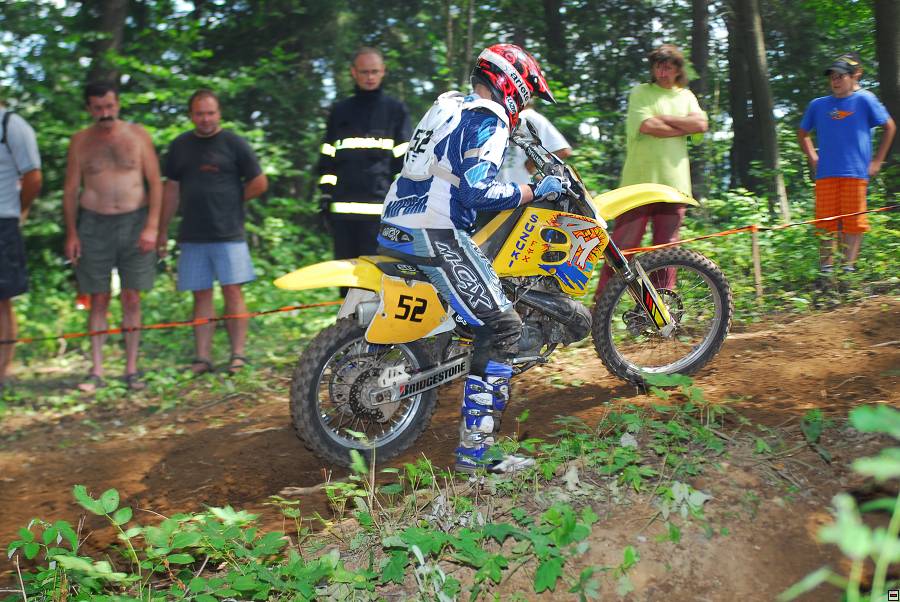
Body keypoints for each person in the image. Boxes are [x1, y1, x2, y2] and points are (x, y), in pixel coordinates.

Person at [377, 44, 562, 474]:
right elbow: (478, 192)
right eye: (527, 97)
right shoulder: (488, 119)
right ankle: (477, 454)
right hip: (434, 230)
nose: (524, 107)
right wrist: (534, 190)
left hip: (397, 222)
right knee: (502, 326)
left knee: (479, 303)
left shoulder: (451, 107)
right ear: (513, 87)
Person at [158, 89, 268, 376]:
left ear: (218, 113)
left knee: (233, 291)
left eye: (210, 113)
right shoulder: (180, 145)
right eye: (199, 114)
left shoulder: (234, 143)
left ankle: (238, 355)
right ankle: (202, 357)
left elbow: (259, 182)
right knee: (201, 295)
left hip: (228, 233)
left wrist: (233, 201)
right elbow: (170, 190)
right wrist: (161, 230)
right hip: (192, 234)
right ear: (191, 115)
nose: (205, 119)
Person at [63, 81, 162, 392]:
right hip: (94, 224)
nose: (105, 113)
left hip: (135, 222)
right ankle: (97, 370)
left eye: (109, 106)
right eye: (98, 108)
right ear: (89, 108)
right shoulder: (80, 141)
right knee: (98, 297)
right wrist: (72, 233)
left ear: (117, 104)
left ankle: (131, 370)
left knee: (132, 296)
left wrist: (152, 226)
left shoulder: (138, 135)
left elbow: (155, 183)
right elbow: (70, 190)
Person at [593, 44, 707, 301]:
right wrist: (682, 125)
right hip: (638, 185)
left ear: (678, 70)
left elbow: (701, 124)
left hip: (675, 186)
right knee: (623, 248)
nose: (662, 72)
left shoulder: (687, 96)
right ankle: (601, 306)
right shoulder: (641, 92)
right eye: (658, 67)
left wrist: (664, 119)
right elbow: (647, 126)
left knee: (667, 250)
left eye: (668, 67)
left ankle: (662, 308)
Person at [797, 53, 895, 274]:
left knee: (853, 223)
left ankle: (848, 271)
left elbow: (889, 126)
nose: (836, 81)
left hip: (855, 172)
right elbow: (802, 133)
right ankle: (826, 271)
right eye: (832, 77)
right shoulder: (818, 105)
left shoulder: (865, 99)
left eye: (840, 76)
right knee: (826, 223)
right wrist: (813, 157)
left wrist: (877, 161)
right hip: (826, 173)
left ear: (853, 77)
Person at [317, 47, 411, 263]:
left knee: (376, 275)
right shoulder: (339, 111)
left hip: (381, 214)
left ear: (383, 71)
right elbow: (328, 158)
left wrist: (403, 203)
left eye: (374, 71)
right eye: (364, 72)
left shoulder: (395, 110)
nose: (370, 77)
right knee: (345, 275)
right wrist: (325, 196)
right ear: (353, 72)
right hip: (342, 215)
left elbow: (406, 162)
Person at [0, 102, 42, 396]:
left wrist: (20, 210)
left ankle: (1, 373)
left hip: (3, 220)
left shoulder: (11, 125)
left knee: (1, 300)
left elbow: (33, 177)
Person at [498, 102, 571, 184]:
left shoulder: (529, 116)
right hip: (509, 185)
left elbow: (563, 150)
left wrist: (531, 165)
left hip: (518, 186)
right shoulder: (507, 118)